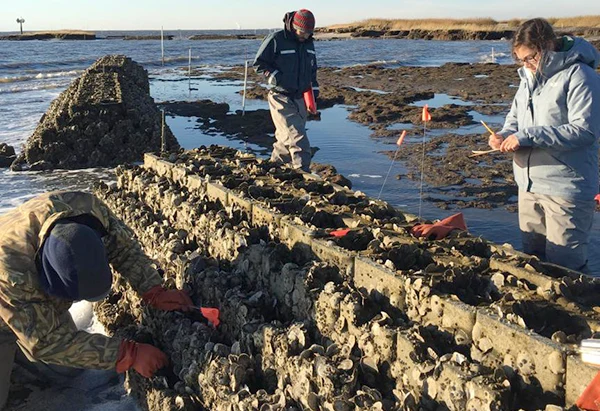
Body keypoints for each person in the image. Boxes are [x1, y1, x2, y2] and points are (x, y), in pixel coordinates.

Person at [0, 191, 193, 409]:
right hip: (6, 289)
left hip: (22, 284)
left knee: (68, 371)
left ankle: (18, 352)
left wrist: (153, 290)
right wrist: (127, 353)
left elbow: (124, 248)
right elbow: (46, 343)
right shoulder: (12, 274)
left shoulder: (88, 210)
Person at [488, 18, 600, 272]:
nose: (527, 65)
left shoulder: (581, 75)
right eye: (521, 60)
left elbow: (585, 132)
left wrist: (527, 137)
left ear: (548, 45)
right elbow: (515, 119)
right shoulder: (528, 76)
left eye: (531, 57)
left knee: (566, 271)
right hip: (528, 187)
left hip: (566, 189)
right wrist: (504, 135)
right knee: (532, 264)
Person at [253, 9, 319, 172]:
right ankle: (303, 174)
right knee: (298, 138)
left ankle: (273, 169)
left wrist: (314, 94)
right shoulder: (276, 39)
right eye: (302, 32)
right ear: (294, 26)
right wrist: (275, 77)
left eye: (308, 33)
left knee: (285, 140)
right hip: (280, 97)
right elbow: (259, 64)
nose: (304, 36)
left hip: (300, 99)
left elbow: (312, 70)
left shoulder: (309, 43)